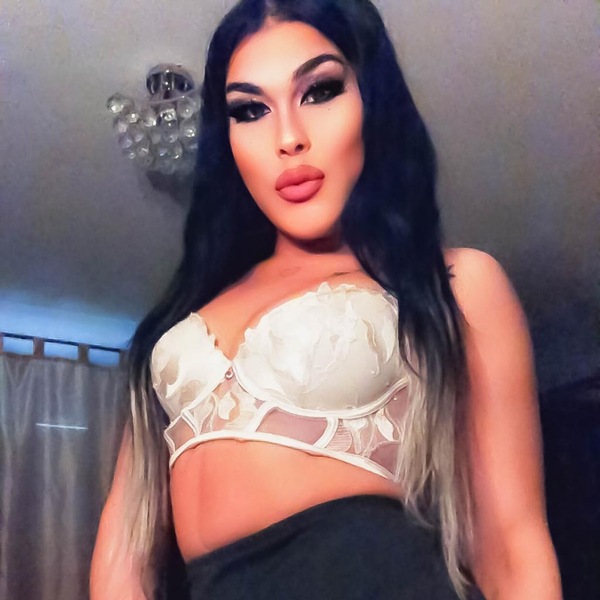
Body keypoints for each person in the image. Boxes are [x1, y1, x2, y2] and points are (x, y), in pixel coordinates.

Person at [91, 0, 561, 598]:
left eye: (320, 91)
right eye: (250, 110)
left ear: (373, 102)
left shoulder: (452, 282)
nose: (289, 138)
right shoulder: (183, 314)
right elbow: (123, 558)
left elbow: (513, 548)